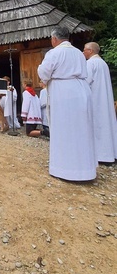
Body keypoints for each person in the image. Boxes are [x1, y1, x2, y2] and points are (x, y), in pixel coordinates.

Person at [38, 27, 97, 181]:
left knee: (65, 129)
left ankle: (64, 169)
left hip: (64, 93)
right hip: (81, 90)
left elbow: (44, 72)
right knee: (81, 129)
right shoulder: (78, 53)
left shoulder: (54, 53)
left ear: (54, 39)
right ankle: (85, 170)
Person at [83, 41, 117, 164]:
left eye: (85, 49)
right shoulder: (103, 63)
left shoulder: (90, 63)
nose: (83, 52)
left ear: (90, 51)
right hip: (105, 99)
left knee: (97, 125)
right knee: (107, 124)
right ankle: (111, 153)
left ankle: (101, 155)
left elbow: (86, 81)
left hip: (96, 99)